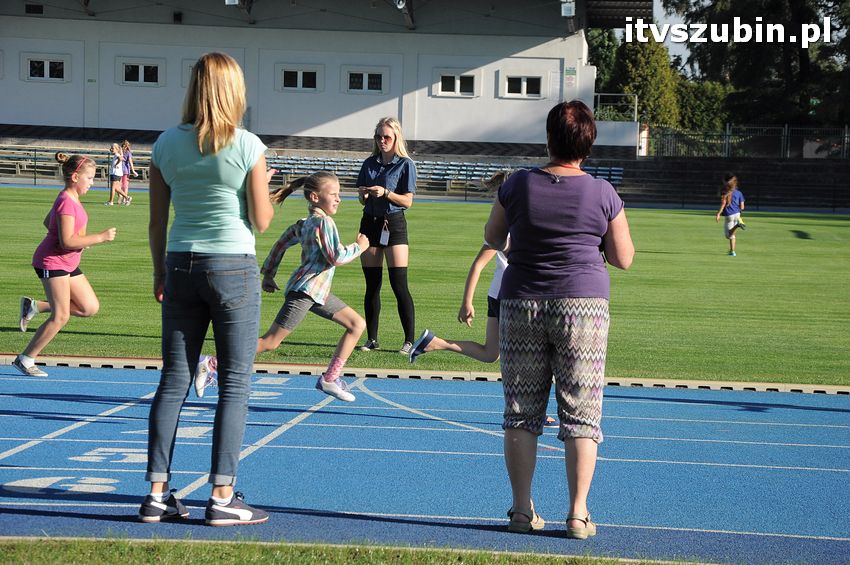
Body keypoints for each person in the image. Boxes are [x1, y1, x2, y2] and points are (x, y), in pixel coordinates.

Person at [484, 100, 634, 538]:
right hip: (583, 305)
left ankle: (520, 511)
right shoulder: (603, 192)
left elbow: (494, 236)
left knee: (521, 410)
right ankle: (577, 513)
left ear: (548, 138)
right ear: (589, 143)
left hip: (521, 301)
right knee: (581, 412)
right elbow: (623, 258)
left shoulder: (516, 185)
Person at [140, 52, 275, 527]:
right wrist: (266, 190)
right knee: (234, 383)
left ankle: (157, 493)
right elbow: (260, 220)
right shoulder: (247, 145)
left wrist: (159, 271)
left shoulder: (163, 145)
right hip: (232, 265)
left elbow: (158, 220)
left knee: (174, 379)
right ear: (233, 91)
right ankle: (221, 496)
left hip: (180, 261)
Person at [194, 172, 369, 403]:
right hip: (305, 293)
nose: (338, 199)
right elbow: (335, 256)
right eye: (333, 194)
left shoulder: (304, 223)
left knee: (357, 324)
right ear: (315, 197)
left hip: (316, 292)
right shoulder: (323, 222)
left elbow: (281, 244)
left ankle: (330, 378)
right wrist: (359, 247)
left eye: (339, 194)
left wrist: (269, 273)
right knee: (270, 342)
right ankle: (211, 363)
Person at [13, 152, 117, 377]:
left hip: (67, 262)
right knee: (61, 316)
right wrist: (100, 237)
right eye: (89, 178)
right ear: (75, 176)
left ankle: (35, 307)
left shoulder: (70, 199)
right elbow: (67, 241)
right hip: (52, 262)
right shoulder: (66, 202)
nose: (93, 183)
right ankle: (26, 358)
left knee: (89, 307)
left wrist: (80, 240)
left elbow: (48, 223)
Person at [356, 117, 417, 355]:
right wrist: (365, 195)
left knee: (399, 284)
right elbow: (362, 198)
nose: (382, 141)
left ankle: (409, 341)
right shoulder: (369, 163)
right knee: (372, 285)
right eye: (379, 136)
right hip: (369, 223)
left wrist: (386, 193)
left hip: (393, 224)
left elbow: (408, 202)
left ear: (396, 139)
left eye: (387, 137)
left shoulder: (405, 165)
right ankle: (372, 339)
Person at [715, 172, 746, 256]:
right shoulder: (739, 193)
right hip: (737, 214)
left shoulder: (725, 191)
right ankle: (732, 251)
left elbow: (723, 204)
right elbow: (742, 207)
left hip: (729, 215)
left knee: (728, 235)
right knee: (732, 235)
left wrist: (718, 214)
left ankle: (738, 225)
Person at [120, 140, 138, 205]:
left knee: (122, 186)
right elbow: (130, 162)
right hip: (123, 171)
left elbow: (130, 162)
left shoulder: (125, 153)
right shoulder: (124, 152)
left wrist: (133, 170)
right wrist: (133, 170)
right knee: (124, 186)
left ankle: (124, 198)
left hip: (123, 171)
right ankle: (124, 198)